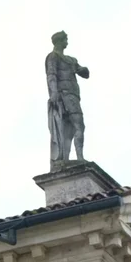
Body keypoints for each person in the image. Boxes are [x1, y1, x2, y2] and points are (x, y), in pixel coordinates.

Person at [45, 31, 90, 167]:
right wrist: (53, 93)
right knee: (74, 126)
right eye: (66, 39)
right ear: (60, 41)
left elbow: (85, 73)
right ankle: (73, 158)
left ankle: (76, 157)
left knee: (74, 127)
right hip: (64, 95)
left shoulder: (71, 60)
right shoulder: (53, 57)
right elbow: (51, 75)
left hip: (73, 95)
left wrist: (82, 69)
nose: (67, 42)